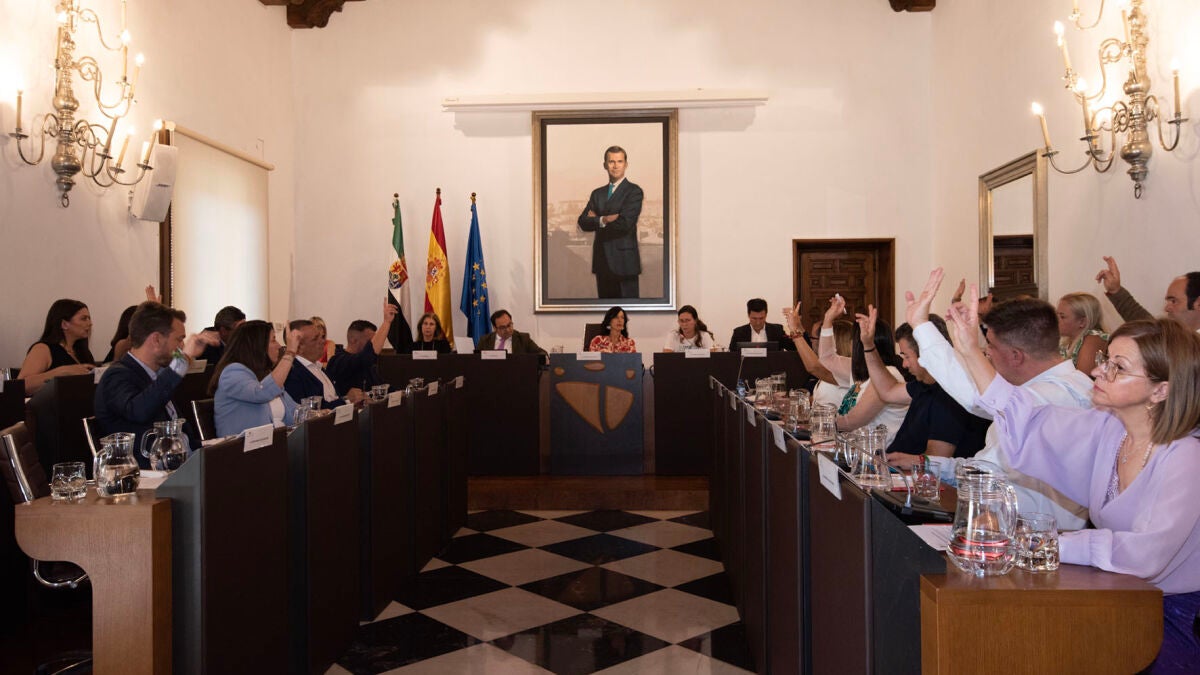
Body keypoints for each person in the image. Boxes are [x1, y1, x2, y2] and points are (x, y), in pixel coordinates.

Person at [942, 290, 1200, 671]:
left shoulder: (1186, 456)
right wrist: (967, 350)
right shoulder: (1109, 430)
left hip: (1174, 617)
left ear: (1161, 390)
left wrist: (1048, 543)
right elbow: (1027, 421)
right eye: (1104, 360)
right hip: (1117, 596)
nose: (1097, 372)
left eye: (1117, 367)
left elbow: (1147, 554)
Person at [897, 268, 1095, 531]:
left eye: (990, 346)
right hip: (997, 525)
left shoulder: (1058, 396)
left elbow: (977, 397)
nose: (986, 354)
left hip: (1032, 541)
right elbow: (988, 467)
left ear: (1016, 356)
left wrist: (923, 327)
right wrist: (926, 465)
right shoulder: (1037, 389)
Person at [853, 307, 989, 458]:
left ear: (925, 354)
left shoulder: (950, 396)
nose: (904, 364)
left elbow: (935, 459)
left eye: (906, 356)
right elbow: (887, 391)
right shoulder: (925, 384)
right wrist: (868, 345)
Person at [93, 302, 219, 464]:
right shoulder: (117, 376)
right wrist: (183, 359)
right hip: (149, 469)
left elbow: (183, 438)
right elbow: (140, 411)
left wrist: (214, 445)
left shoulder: (157, 375)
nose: (182, 346)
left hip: (183, 462)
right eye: (179, 339)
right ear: (157, 339)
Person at [815, 295, 909, 446]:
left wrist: (818, 423)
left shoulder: (889, 374)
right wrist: (828, 319)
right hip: (856, 448)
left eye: (852, 340)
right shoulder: (861, 369)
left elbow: (852, 421)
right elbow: (827, 358)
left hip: (878, 454)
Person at [211, 320, 301, 437]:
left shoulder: (265, 375)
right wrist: (290, 352)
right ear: (257, 345)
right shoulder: (232, 372)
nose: (279, 346)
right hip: (245, 446)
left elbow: (295, 410)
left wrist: (318, 414)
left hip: (278, 442)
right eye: (273, 340)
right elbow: (262, 393)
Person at [577, 145, 644, 299]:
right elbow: (582, 222)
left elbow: (624, 224)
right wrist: (605, 219)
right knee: (606, 310)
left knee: (627, 310)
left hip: (625, 264)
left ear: (626, 164)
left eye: (619, 161)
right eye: (611, 161)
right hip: (602, 263)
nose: (615, 166)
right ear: (605, 165)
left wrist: (596, 220)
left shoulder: (634, 191)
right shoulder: (597, 194)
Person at [1096, 256, 1200, 332]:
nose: (1166, 308)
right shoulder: (1175, 338)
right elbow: (1149, 326)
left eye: (1174, 301)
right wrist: (1115, 290)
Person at [19, 299, 97, 394]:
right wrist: (62, 372)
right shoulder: (43, 349)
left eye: (89, 318)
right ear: (64, 324)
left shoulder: (83, 352)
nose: (90, 323)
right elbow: (23, 385)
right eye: (84, 319)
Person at [326, 303, 399, 397]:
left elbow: (384, 388)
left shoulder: (369, 367)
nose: (374, 344)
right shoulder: (338, 361)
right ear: (353, 340)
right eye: (370, 341)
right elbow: (366, 356)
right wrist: (386, 322)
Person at [283, 319, 345, 409]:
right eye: (315, 339)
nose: (323, 341)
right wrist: (346, 400)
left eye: (321, 337)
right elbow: (310, 410)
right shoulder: (292, 373)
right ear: (299, 347)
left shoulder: (317, 366)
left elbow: (332, 398)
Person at [1057, 292, 1108, 375]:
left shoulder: (1092, 340)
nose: (1055, 319)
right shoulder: (1067, 341)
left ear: (1082, 322)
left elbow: (1082, 379)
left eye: (1062, 317)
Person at [729, 298, 796, 352]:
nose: (758, 322)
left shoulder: (777, 330)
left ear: (766, 315)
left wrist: (795, 328)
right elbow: (731, 356)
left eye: (761, 318)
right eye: (754, 318)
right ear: (748, 315)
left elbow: (794, 349)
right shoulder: (738, 333)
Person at [477, 309, 547, 356]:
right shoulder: (485, 340)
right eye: (502, 327)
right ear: (495, 328)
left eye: (509, 325)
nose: (507, 330)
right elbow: (476, 360)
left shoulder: (523, 339)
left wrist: (545, 357)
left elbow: (541, 353)